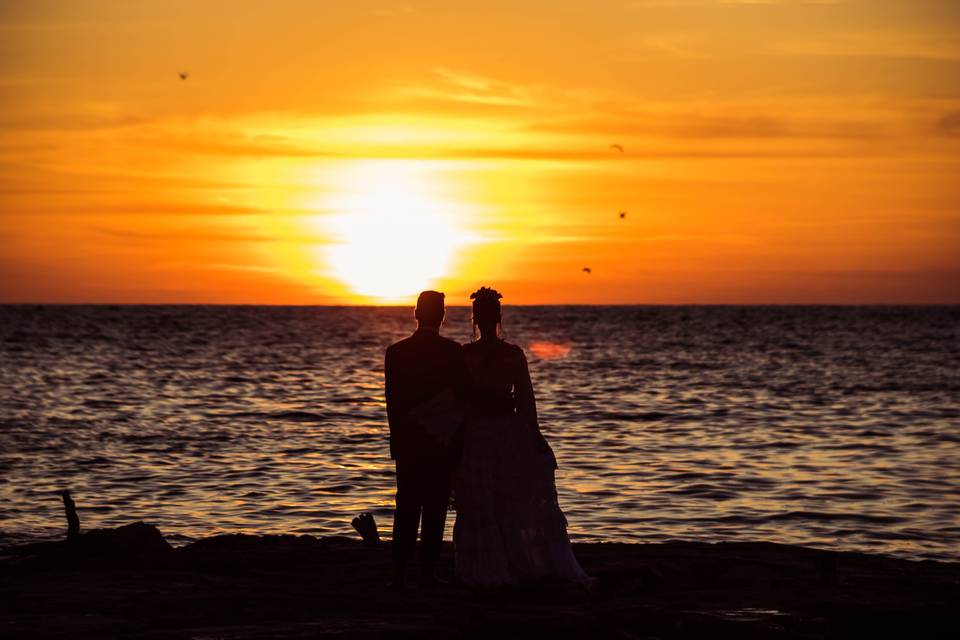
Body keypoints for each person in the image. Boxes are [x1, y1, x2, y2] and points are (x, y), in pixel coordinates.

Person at [452, 286, 590, 587]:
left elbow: (459, 400)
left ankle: (488, 566)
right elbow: (526, 401)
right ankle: (515, 562)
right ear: (498, 317)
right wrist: (534, 436)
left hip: (479, 432)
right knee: (509, 499)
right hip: (505, 430)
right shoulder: (512, 354)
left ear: (475, 319)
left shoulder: (465, 355)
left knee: (483, 501)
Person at [384, 290, 469, 588]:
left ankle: (399, 572)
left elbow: (392, 403)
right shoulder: (454, 351)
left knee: (406, 506)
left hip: (408, 440)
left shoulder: (396, 352)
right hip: (441, 441)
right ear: (442, 316)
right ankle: (427, 571)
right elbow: (461, 400)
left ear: (416, 314)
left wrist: (396, 439)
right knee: (434, 507)